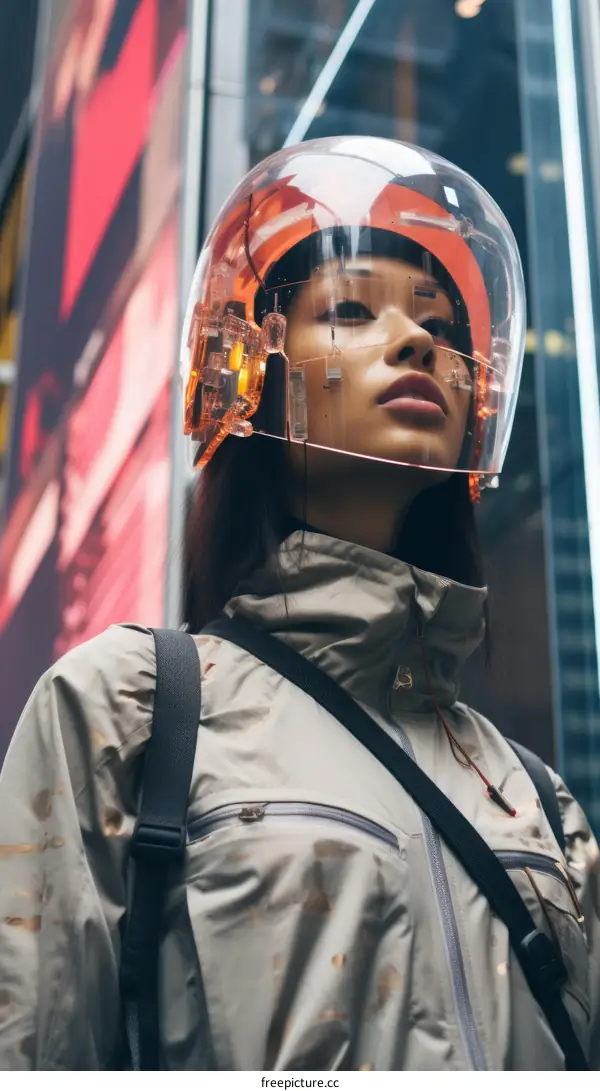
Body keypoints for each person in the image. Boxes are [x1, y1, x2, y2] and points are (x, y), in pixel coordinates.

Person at [0, 136, 598, 1071]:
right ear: (252, 368)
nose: (415, 342)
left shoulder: (534, 799)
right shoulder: (129, 710)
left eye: (439, 327)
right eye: (352, 309)